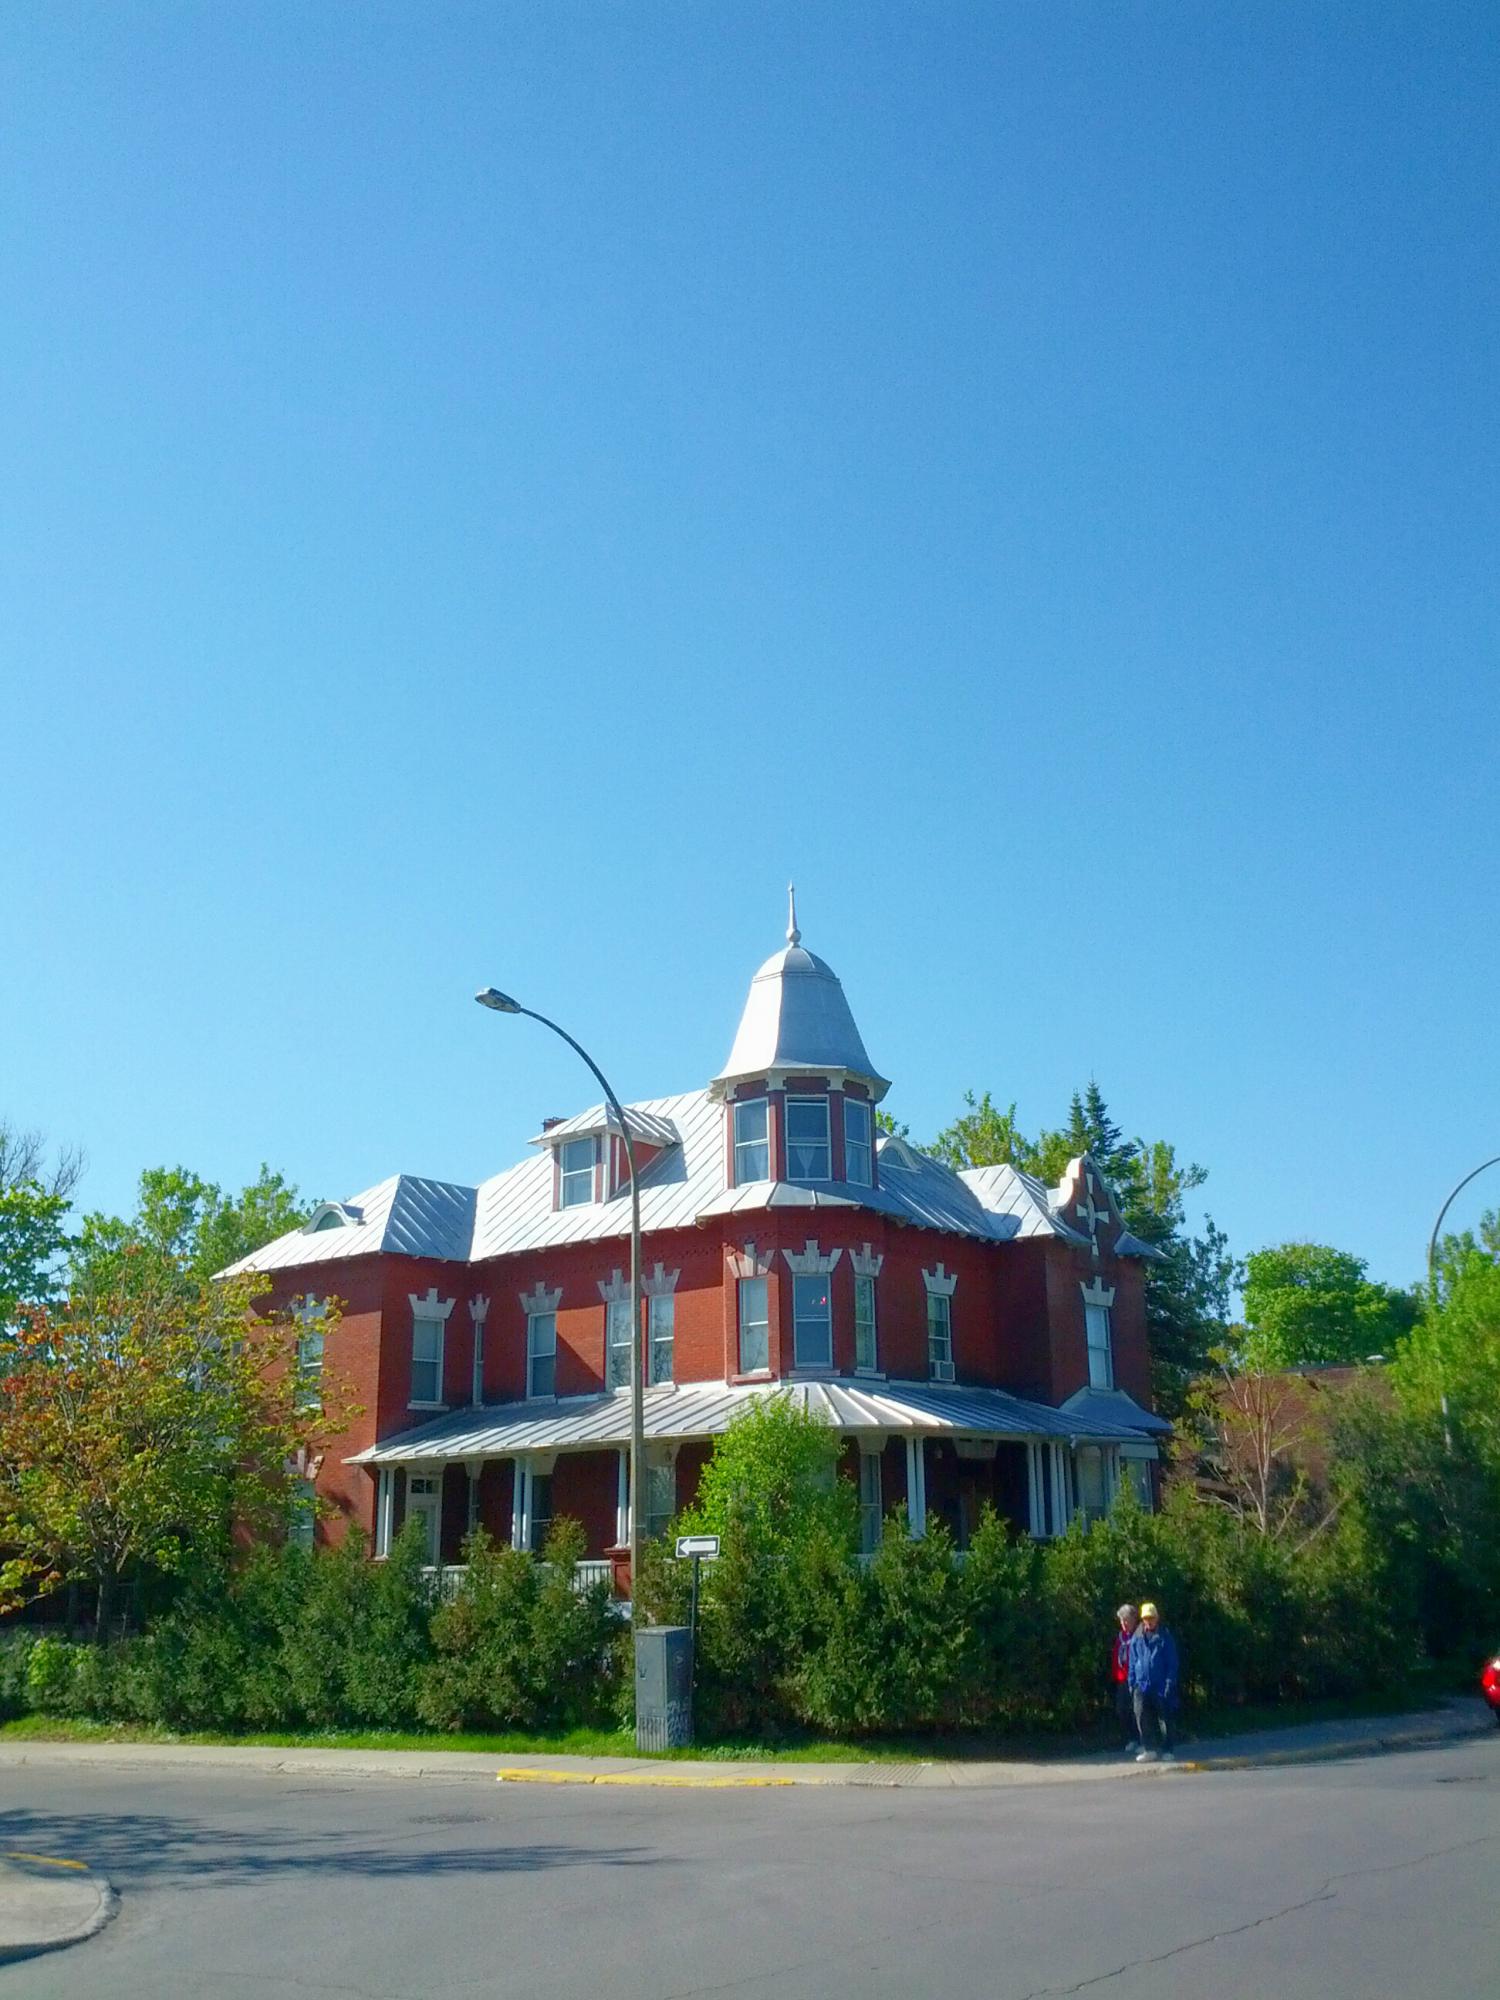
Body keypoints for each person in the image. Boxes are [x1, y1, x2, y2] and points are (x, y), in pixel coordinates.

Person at [1128, 1601, 1179, 1762]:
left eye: (1151, 1618)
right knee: (1141, 1717)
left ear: (1157, 1618)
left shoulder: (1165, 1636)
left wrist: (1169, 1682)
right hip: (1141, 1684)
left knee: (1164, 1718)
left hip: (1160, 1684)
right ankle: (1149, 1749)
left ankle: (1167, 1749)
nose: (1149, 1621)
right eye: (1146, 1618)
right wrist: (1132, 1682)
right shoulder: (1137, 1637)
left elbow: (1172, 1662)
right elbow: (1132, 1661)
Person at [1111, 1604, 1139, 1751]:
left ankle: (1142, 1740)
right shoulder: (1121, 1637)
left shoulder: (1140, 1634)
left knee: (1137, 1711)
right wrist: (1116, 1674)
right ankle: (1131, 1738)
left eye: (1126, 1620)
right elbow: (1116, 1656)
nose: (1124, 1623)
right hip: (1122, 1679)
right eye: (1122, 1620)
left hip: (1136, 1679)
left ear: (1134, 1619)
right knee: (1122, 1709)